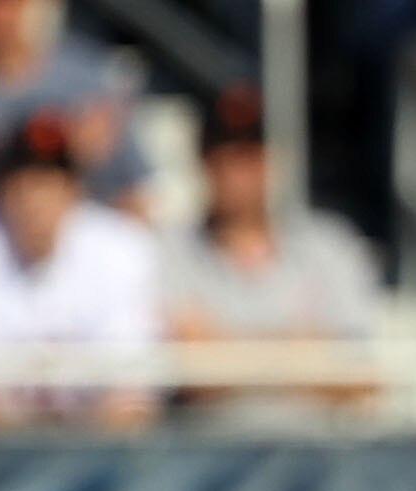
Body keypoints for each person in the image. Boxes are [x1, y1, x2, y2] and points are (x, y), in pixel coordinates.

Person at [0, 111, 161, 425]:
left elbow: (132, 390)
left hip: (96, 454)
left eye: (47, 183)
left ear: (74, 189)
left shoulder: (120, 248)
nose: (34, 201)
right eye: (22, 184)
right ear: (0, 189)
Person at [158, 87, 381, 381]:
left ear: (276, 160)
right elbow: (191, 376)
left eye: (250, 157)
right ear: (203, 162)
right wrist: (301, 354)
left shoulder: (331, 246)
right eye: (224, 158)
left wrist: (225, 351)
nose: (237, 173)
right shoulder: (169, 249)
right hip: (207, 427)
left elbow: (360, 379)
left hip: (310, 426)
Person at [0, 0, 148, 205]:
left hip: (72, 231)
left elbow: (134, 192)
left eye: (6, 5)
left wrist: (83, 159)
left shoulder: (85, 79)